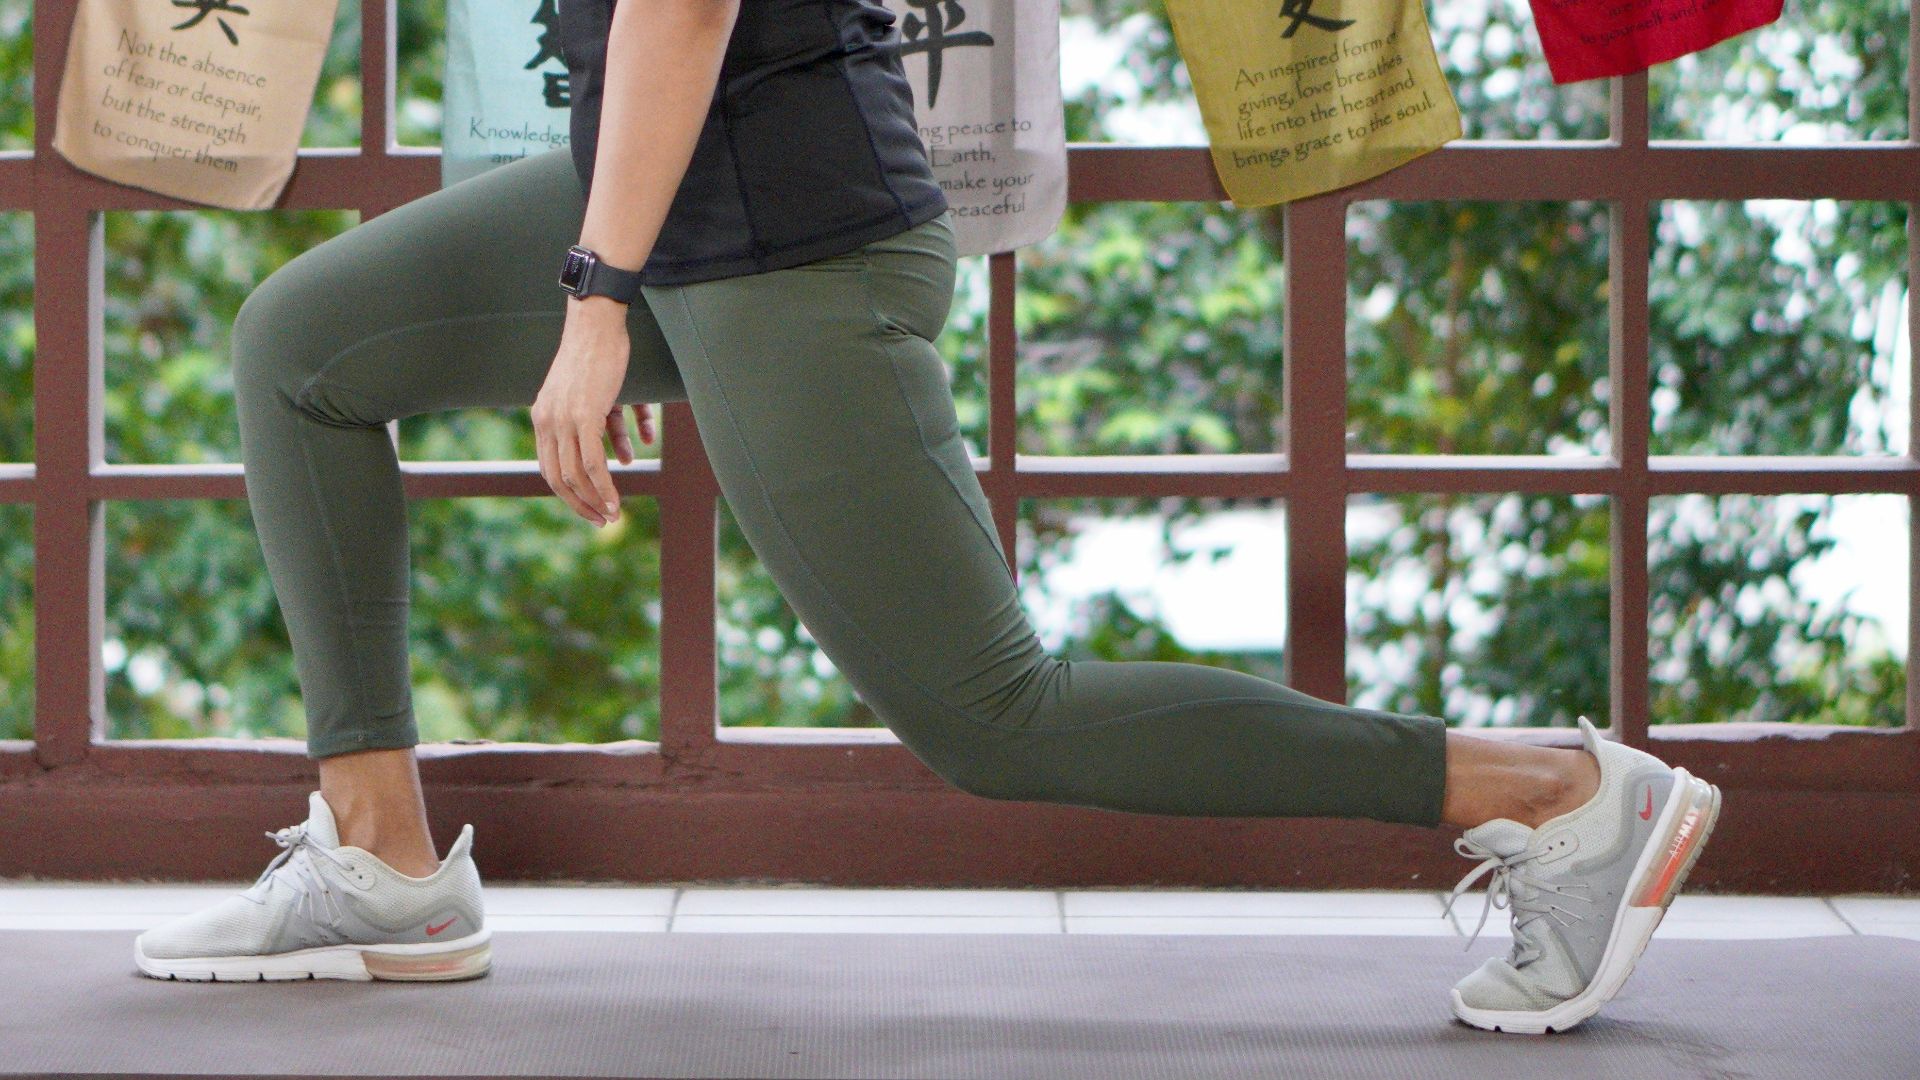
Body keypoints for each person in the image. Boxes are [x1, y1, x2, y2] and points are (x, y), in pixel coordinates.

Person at [131, 0, 1721, 1034]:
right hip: (675, 196)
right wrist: (610, 254)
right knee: (304, 347)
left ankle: (1555, 791)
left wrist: (598, 296)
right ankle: (383, 857)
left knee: (994, 719)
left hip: (791, 239)